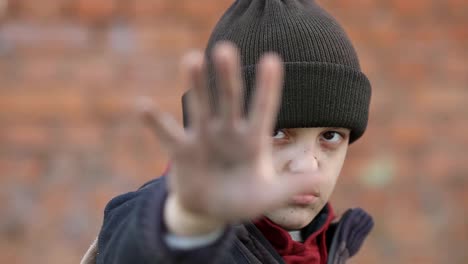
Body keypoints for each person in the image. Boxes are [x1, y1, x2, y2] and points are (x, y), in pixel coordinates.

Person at [82, 0, 374, 263]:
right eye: (276, 132)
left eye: (330, 136)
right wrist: (187, 222)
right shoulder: (176, 226)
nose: (307, 166)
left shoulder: (320, 246)